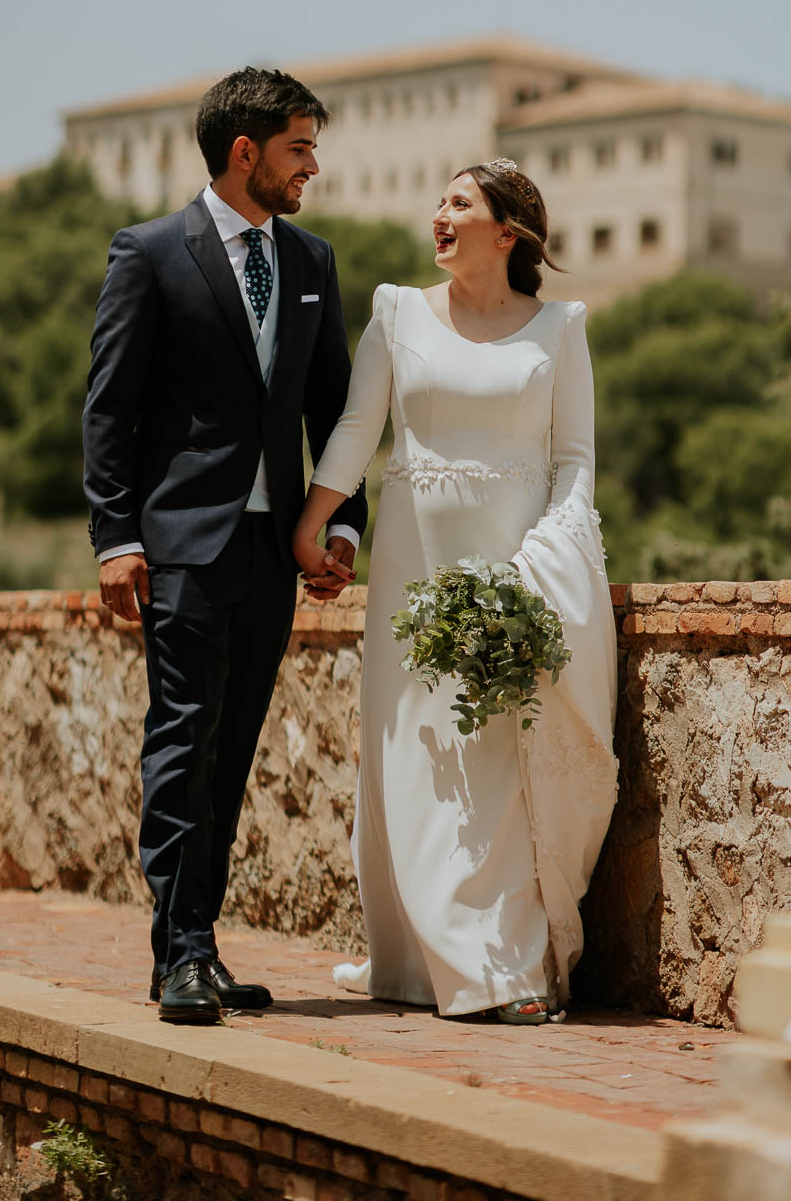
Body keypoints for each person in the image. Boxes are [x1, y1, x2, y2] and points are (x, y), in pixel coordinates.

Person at [294, 158, 618, 1024]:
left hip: (519, 565)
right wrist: (313, 521)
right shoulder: (396, 312)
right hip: (413, 558)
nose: (438, 214)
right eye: (438, 200)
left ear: (506, 232)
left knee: (502, 758)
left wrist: (546, 559)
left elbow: (574, 461)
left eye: (460, 204)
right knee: (419, 750)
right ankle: (431, 956)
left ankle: (499, 965)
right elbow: (359, 429)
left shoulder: (560, 328)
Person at [83, 67, 367, 1026]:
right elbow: (110, 410)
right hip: (180, 546)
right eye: (299, 149)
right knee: (183, 743)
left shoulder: (313, 263)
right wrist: (115, 537)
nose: (313, 168)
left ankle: (187, 950)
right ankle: (188, 953)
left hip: (270, 553)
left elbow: (336, 412)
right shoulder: (151, 253)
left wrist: (337, 525)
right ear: (244, 152)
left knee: (232, 750)